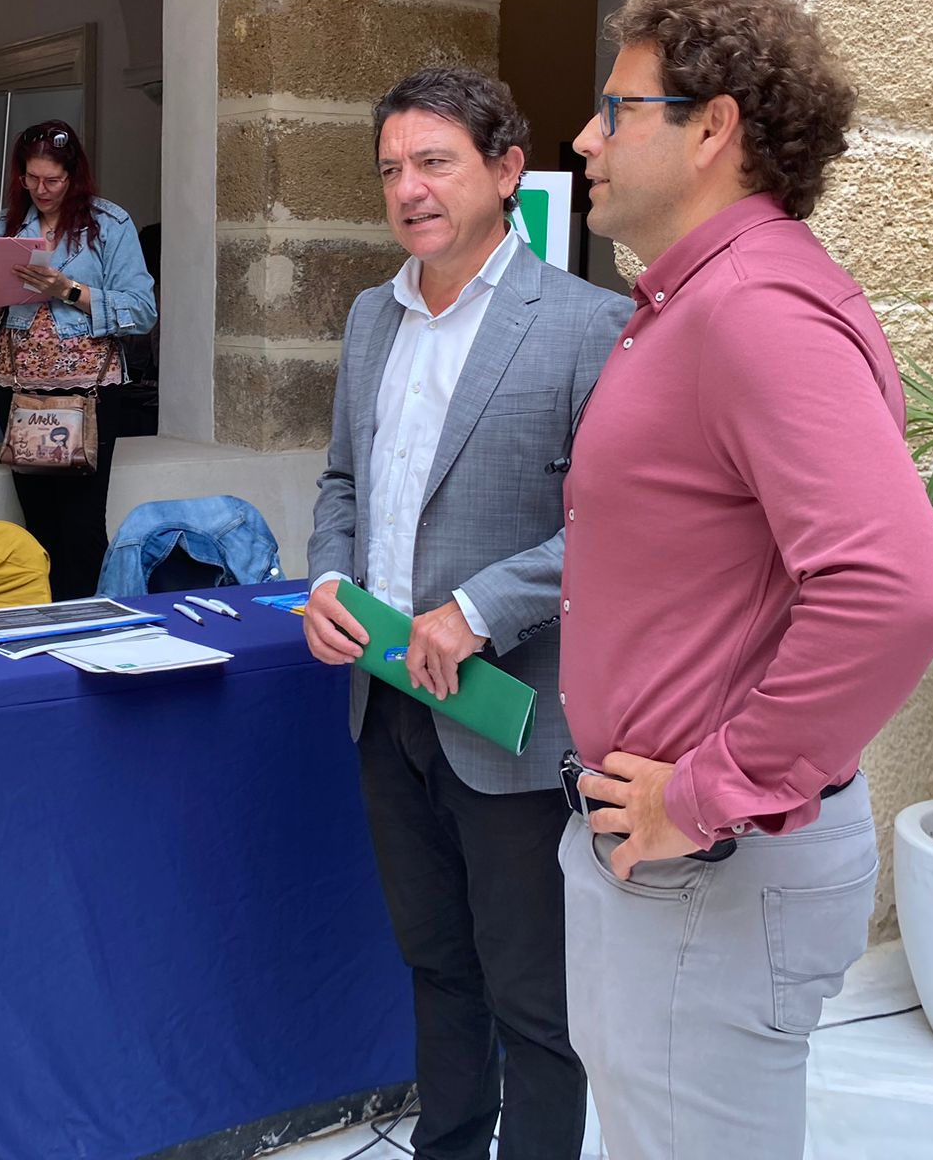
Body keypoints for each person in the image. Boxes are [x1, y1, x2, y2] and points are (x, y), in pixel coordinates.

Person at [560, 0, 933, 1159]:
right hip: (679, 873)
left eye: (617, 108)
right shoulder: (701, 301)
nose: (586, 136)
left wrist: (700, 794)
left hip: (711, 875)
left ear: (712, 127)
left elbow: (895, 591)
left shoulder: (752, 309)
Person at [303, 68, 632, 1160]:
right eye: (390, 168)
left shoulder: (591, 325)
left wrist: (482, 606)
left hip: (513, 720)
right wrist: (322, 583)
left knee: (533, 1003)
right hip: (385, 704)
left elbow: (619, 527)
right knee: (436, 968)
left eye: (433, 161)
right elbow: (342, 484)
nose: (408, 189)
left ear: (503, 171)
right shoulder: (368, 318)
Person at [0, 120, 157, 600]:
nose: (41, 190)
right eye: (31, 178)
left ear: (74, 175)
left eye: (52, 180)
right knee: (38, 525)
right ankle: (44, 626)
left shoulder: (108, 225)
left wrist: (67, 290)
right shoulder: (8, 224)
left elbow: (143, 310)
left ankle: (88, 625)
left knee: (82, 525)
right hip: (17, 390)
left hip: (87, 394)